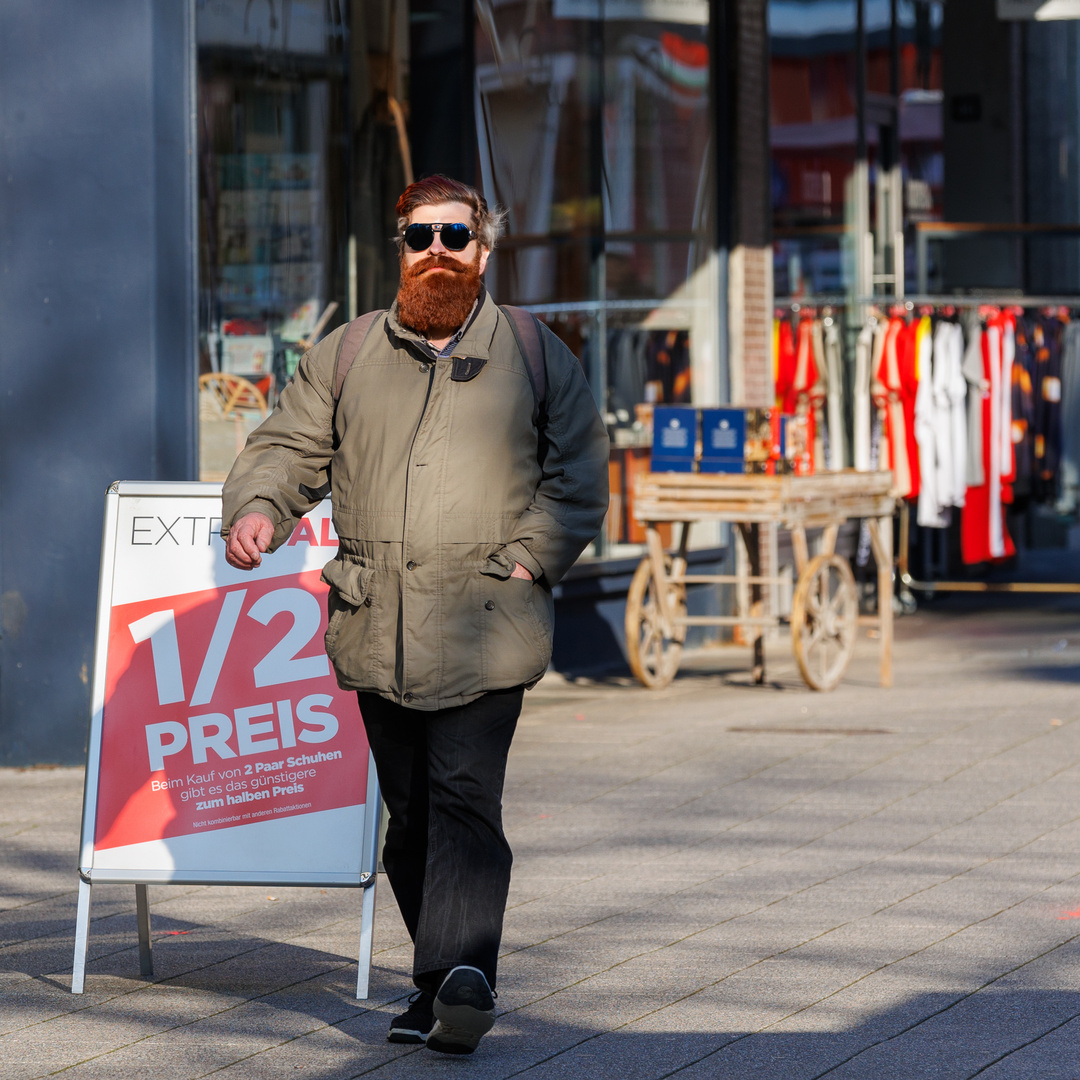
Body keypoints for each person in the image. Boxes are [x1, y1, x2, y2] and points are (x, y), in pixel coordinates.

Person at [220, 175, 609, 1055]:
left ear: (485, 248)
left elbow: (581, 470)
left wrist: (530, 555)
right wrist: (259, 509)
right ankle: (436, 988)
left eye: (456, 236)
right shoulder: (348, 353)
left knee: (466, 798)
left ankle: (467, 974)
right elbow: (286, 447)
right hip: (374, 621)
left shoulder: (535, 350)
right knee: (410, 819)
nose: (438, 252)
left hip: (487, 618)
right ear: (399, 246)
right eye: (420, 236)